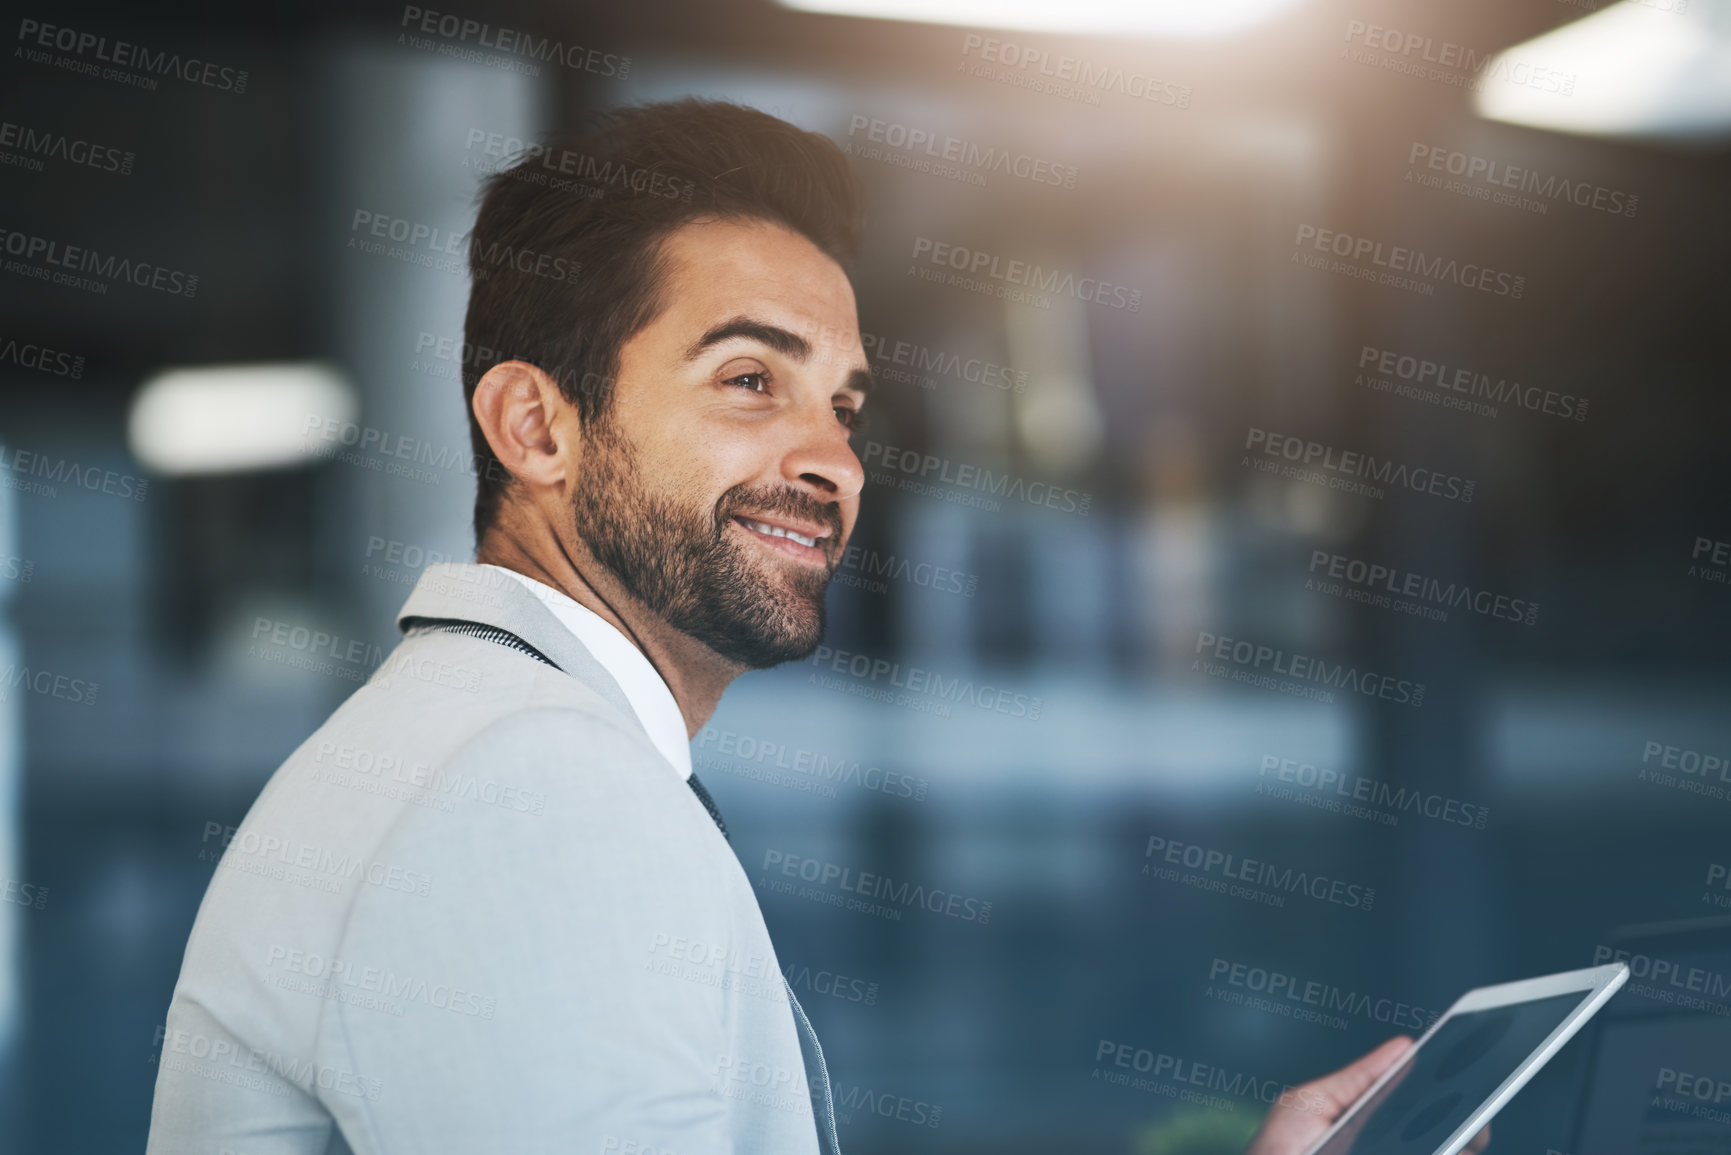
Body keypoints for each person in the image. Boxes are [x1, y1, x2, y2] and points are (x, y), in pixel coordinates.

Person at [146, 98, 1485, 1154]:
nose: (830, 459)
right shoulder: (527, 793)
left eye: (842, 406)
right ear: (535, 426)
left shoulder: (494, 746)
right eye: (748, 379)